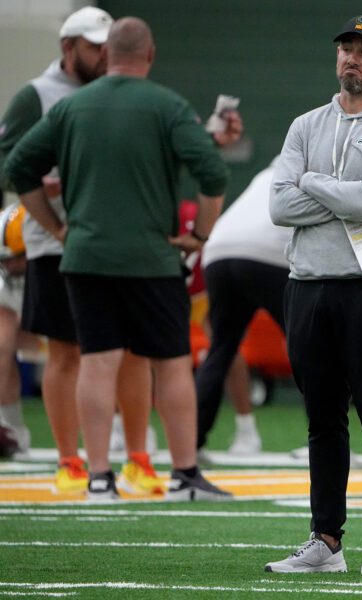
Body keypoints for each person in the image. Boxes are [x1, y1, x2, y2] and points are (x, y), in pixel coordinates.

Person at [4, 17, 232, 500]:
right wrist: (201, 234)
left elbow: (18, 167)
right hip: (152, 257)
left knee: (97, 361)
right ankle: (186, 474)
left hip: (84, 256)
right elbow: (211, 173)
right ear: (149, 55)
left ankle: (99, 477)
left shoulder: (70, 107)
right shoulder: (167, 105)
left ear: (106, 54)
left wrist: (56, 227)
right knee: (169, 364)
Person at [264, 14, 362, 576]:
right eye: (346, 48)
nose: (352, 57)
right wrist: (344, 195)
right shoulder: (306, 125)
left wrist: (313, 184)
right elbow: (280, 207)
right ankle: (325, 539)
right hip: (306, 286)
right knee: (322, 419)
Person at [0, 6, 161, 495]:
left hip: (116, 242)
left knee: (134, 351)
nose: (103, 53)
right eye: (94, 45)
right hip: (57, 245)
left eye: (107, 45)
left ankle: (137, 459)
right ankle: (69, 462)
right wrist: (53, 206)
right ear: (67, 47)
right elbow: (11, 166)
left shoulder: (121, 91)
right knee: (65, 353)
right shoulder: (37, 96)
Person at [194, 158, 291, 456]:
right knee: (309, 346)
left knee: (221, 348)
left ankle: (191, 444)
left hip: (219, 252)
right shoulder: (312, 168)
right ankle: (330, 445)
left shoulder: (264, 174)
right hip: (269, 254)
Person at [0, 203, 35, 454]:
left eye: (16, 258)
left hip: (53, 303)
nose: (9, 265)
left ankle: (118, 425)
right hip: (12, 308)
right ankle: (11, 425)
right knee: (1, 343)